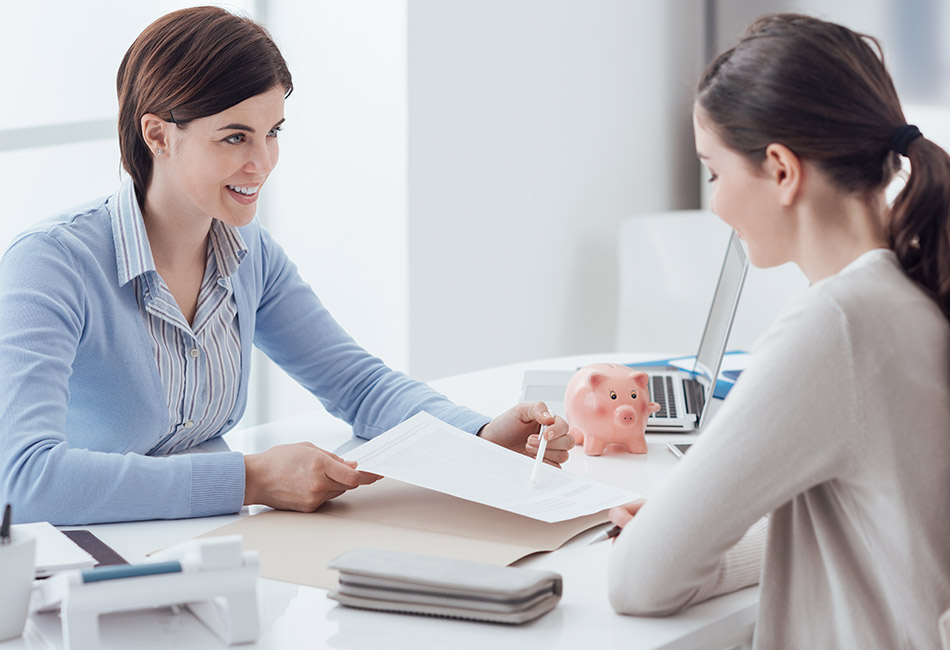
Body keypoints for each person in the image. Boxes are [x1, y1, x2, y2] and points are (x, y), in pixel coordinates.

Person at [0, 6, 573, 526]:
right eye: (234, 137)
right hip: (76, 569)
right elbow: (22, 482)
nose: (262, 162)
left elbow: (359, 385)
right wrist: (248, 478)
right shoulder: (51, 266)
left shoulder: (251, 259)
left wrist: (478, 435)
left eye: (272, 132)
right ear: (158, 135)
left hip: (208, 547)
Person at [605, 13, 950, 649]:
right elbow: (888, 525)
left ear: (782, 170)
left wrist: (679, 537)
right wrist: (712, 542)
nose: (715, 203)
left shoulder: (835, 327)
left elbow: (639, 580)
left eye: (715, 172)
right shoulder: (913, 293)